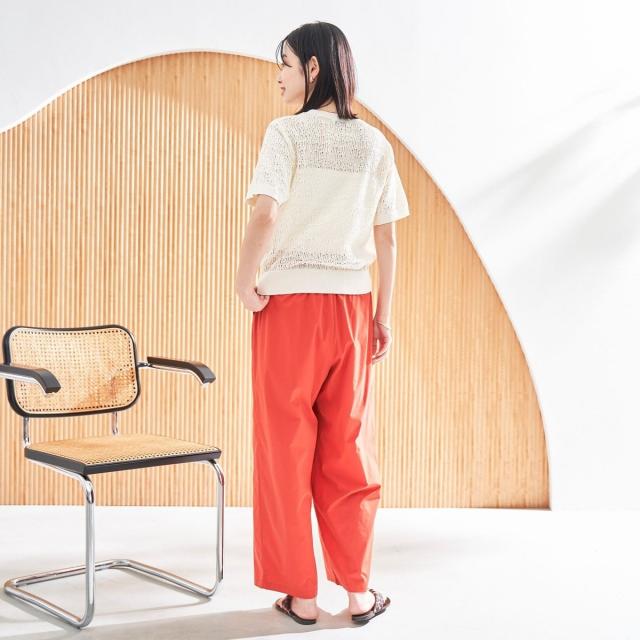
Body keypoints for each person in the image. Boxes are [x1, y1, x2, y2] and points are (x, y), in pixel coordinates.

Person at [235, 21, 410, 626]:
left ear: (313, 68)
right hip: (352, 309)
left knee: (284, 447)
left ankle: (302, 598)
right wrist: (382, 316)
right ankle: (359, 594)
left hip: (289, 308)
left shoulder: (285, 134)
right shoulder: (375, 145)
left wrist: (244, 279)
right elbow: (387, 240)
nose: (278, 76)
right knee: (348, 448)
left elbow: (265, 213)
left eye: (284, 64)